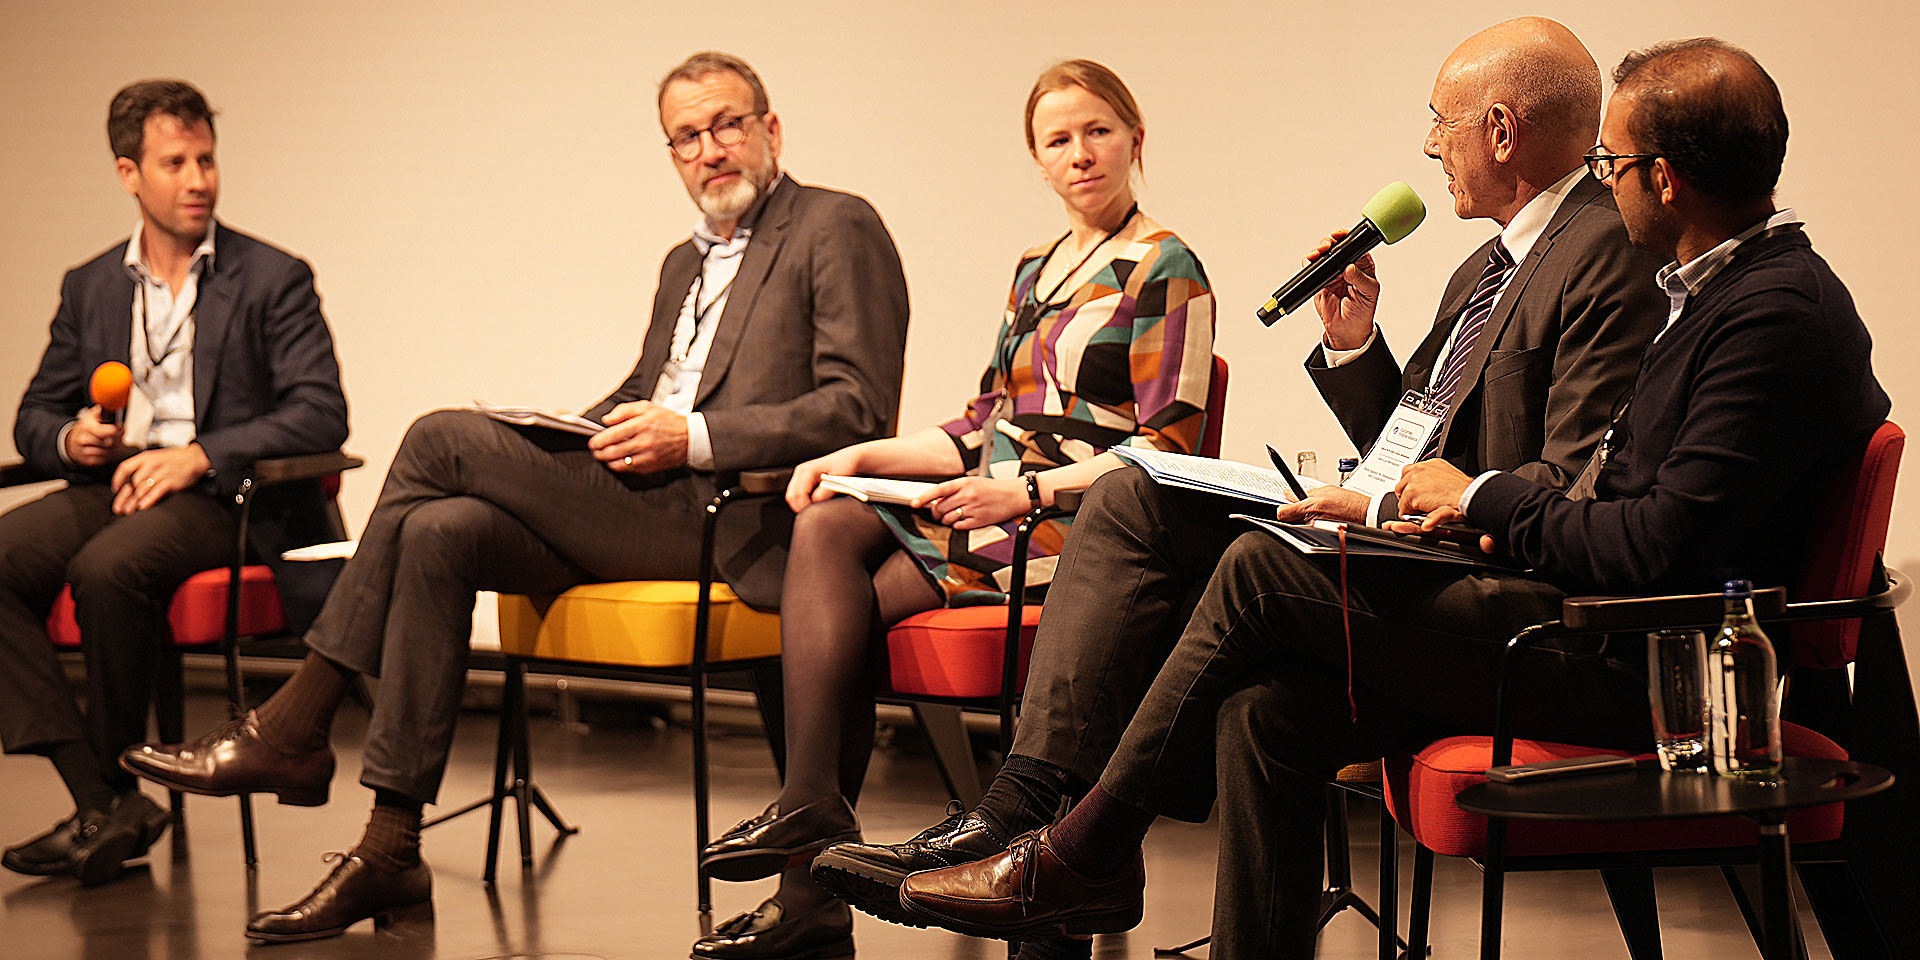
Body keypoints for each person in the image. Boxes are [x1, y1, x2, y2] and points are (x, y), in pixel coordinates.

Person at [892, 37, 1890, 960]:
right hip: (1552, 593)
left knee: (1257, 574)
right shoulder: (1693, 290)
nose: (1605, 177)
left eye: (1615, 163)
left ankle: (1079, 849)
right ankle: (1066, 834)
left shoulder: (1754, 310)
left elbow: (1644, 532)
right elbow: (1436, 450)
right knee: (1259, 704)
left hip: (1613, 649)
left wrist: (1474, 500)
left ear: (1659, 177)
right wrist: (1359, 362)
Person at [120, 52, 910, 942]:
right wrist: (567, 433)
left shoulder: (834, 224)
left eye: (727, 125)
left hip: (736, 513)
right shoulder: (680, 265)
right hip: (647, 499)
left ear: (770, 130)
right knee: (442, 531)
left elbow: (857, 405)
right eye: (686, 137)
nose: (709, 149)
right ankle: (390, 848)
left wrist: (688, 437)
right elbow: (643, 392)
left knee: (438, 437)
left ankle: (298, 719)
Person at [689, 59, 1217, 960]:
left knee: (840, 607)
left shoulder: (1166, 265)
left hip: (1080, 519)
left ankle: (808, 867)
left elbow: (1170, 448)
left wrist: (1031, 489)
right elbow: (985, 422)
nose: (1081, 154)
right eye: (1059, 140)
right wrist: (853, 453)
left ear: (1135, 138)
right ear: (1037, 161)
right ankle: (813, 812)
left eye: (1097, 131)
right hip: (988, 504)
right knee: (825, 521)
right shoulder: (1033, 268)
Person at [0, 80, 348, 887]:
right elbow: (35, 414)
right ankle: (103, 798)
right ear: (129, 173)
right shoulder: (91, 284)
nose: (199, 180)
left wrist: (202, 454)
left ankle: (111, 797)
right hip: (113, 484)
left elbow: (320, 412)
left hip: (223, 496)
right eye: (175, 162)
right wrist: (70, 436)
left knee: (110, 568)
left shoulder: (271, 277)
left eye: (207, 160)